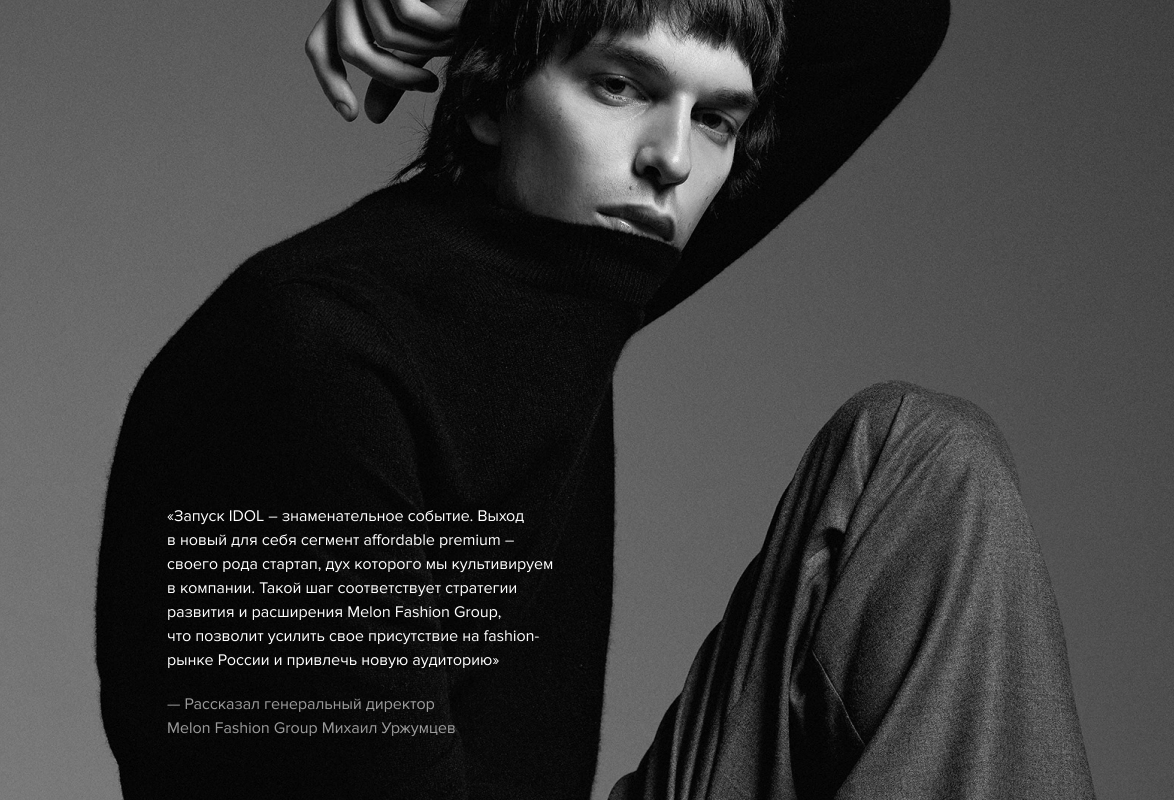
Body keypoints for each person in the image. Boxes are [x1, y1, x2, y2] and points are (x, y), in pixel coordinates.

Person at [96, 0, 1094, 797]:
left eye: (714, 118)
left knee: (923, 460)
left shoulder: (576, 276)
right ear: (490, 99)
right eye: (620, 86)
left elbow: (890, 20)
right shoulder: (309, 361)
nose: (671, 158)